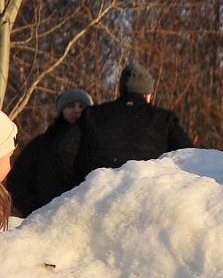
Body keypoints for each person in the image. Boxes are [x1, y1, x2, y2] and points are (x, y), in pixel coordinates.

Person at [68, 65, 193, 179]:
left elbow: (68, 151)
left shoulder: (92, 114)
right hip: (145, 192)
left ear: (120, 91)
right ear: (147, 95)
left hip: (93, 192)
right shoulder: (164, 119)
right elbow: (190, 157)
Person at [3, 88, 90, 216]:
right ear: (62, 110)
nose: (77, 110)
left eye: (81, 106)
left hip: (87, 216)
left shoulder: (97, 143)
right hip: (44, 220)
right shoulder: (42, 144)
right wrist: (34, 209)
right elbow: (17, 180)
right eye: (71, 105)